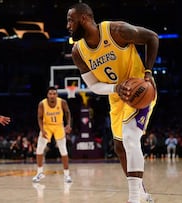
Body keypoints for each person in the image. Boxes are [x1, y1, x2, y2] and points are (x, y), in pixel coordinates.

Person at [67, 3, 158, 203]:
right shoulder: (78, 52)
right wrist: (115, 88)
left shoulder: (116, 31)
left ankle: (134, 198)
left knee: (130, 136)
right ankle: (142, 192)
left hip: (140, 90)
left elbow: (152, 37)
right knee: (119, 147)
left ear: (83, 19)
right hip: (116, 98)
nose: (68, 26)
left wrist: (148, 73)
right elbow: (94, 85)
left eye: (70, 20)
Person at [32, 86, 73, 183]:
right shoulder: (42, 104)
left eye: (54, 94)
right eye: (50, 94)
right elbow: (39, 117)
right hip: (47, 126)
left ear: (57, 95)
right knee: (39, 149)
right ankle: (39, 173)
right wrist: (42, 130)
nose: (52, 96)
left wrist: (68, 125)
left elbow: (67, 112)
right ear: (47, 95)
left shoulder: (62, 102)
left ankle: (67, 175)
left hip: (59, 126)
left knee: (63, 149)